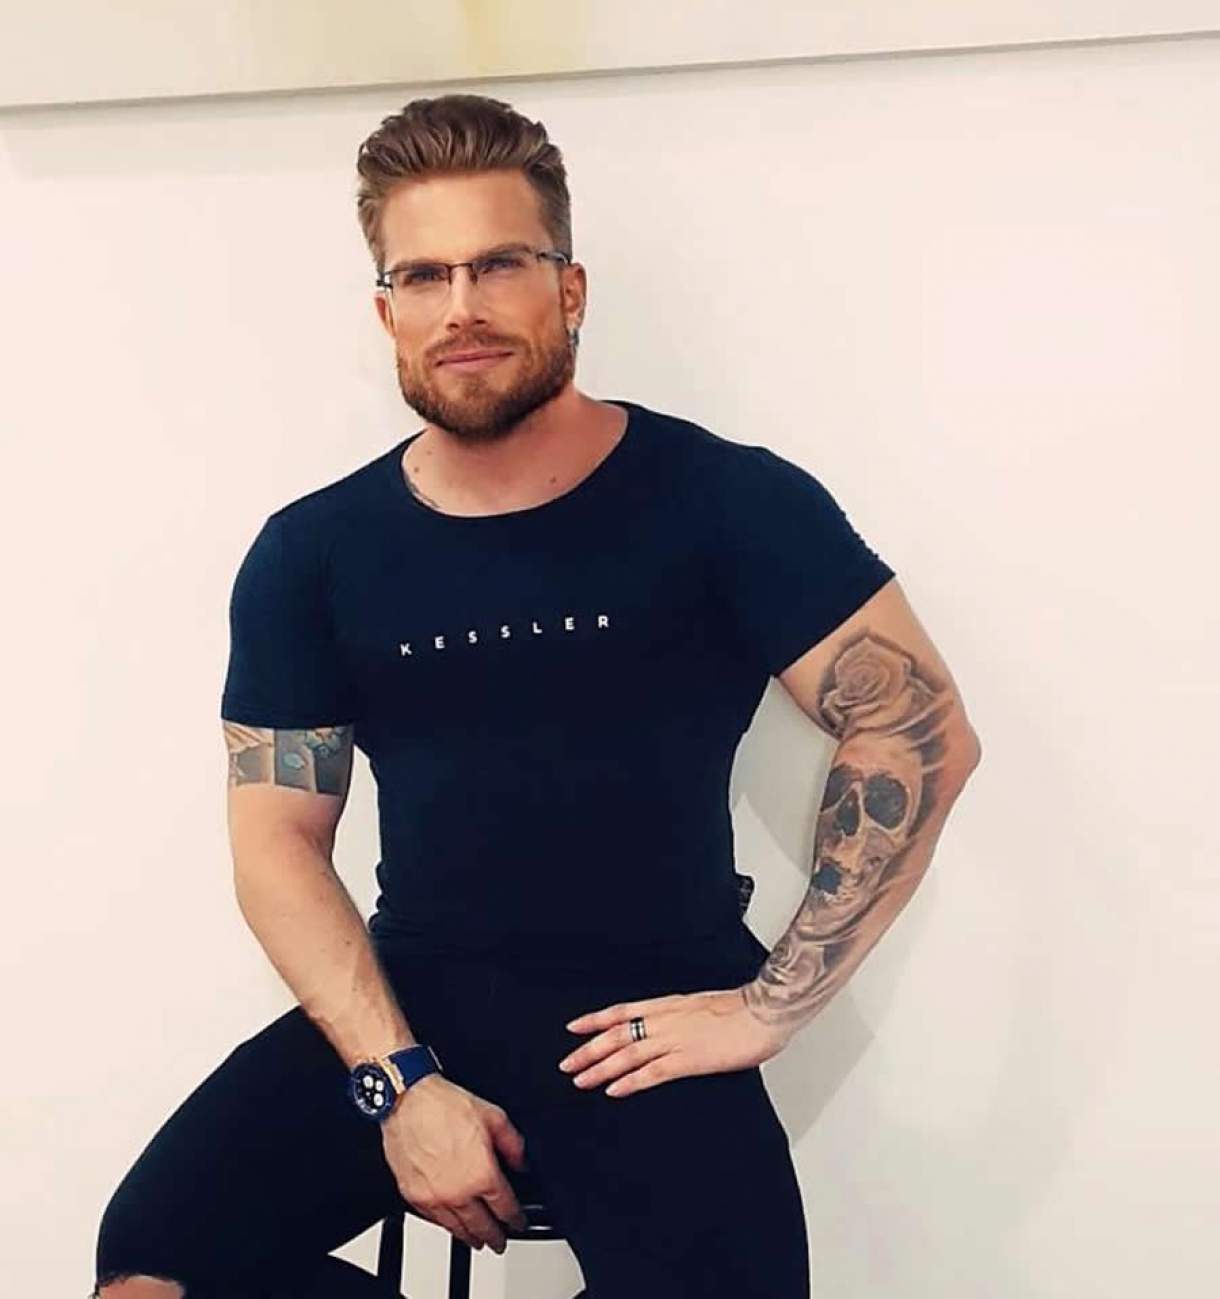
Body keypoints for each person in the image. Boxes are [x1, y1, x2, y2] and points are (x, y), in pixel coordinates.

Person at [92, 93, 980, 1299]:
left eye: (498, 264)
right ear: (387, 312)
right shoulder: (313, 551)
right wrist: (399, 1084)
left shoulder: (725, 500)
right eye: (423, 276)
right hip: (414, 1003)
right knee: (155, 1265)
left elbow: (916, 727)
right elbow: (276, 844)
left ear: (568, 290)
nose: (460, 307)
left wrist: (767, 1009)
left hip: (648, 1020)